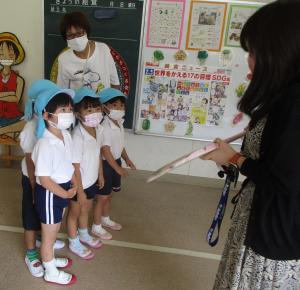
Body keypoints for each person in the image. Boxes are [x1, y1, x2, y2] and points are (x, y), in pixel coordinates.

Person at [201, 1, 300, 289]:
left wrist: (235, 159)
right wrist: (236, 153)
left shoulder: (295, 104)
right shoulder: (284, 96)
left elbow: (285, 181)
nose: (250, 61)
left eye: (255, 53)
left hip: (276, 231)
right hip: (260, 216)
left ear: (280, 52)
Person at [31, 80, 77, 286]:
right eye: (62, 109)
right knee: (49, 235)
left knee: (55, 227)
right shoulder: (44, 143)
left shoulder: (66, 135)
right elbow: (44, 179)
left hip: (63, 190)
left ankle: (48, 258)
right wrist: (65, 194)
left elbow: (69, 162)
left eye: (70, 109)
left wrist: (73, 182)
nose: (68, 113)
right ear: (46, 115)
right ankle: (49, 270)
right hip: (51, 193)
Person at [20, 80, 66, 278]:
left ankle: (46, 246)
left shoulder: (53, 125)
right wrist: (33, 185)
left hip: (48, 179)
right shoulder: (32, 128)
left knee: (47, 215)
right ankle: (31, 254)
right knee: (31, 215)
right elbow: (31, 161)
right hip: (34, 178)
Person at [91, 88, 136, 239]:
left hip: (115, 162)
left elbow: (120, 145)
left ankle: (105, 219)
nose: (119, 109)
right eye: (114, 105)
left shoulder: (119, 123)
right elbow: (105, 150)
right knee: (102, 197)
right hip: (105, 164)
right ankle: (96, 227)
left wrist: (127, 159)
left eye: (121, 106)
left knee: (109, 195)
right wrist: (117, 169)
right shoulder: (104, 126)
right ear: (104, 107)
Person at [67, 87, 103, 259]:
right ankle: (74, 241)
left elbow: (98, 155)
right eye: (88, 109)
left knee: (86, 209)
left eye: (96, 108)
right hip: (79, 184)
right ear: (78, 113)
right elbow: (74, 167)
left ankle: (83, 233)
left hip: (91, 181)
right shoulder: (77, 136)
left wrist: (101, 175)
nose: (94, 112)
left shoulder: (97, 130)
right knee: (74, 212)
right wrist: (79, 190)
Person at [57, 11, 120, 92]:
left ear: (86, 31)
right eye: (70, 35)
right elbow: (62, 90)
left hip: (103, 103)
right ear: (65, 38)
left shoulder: (103, 49)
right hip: (78, 104)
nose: (75, 38)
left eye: (79, 33)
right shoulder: (63, 59)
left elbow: (115, 83)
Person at [0, 32, 25, 138]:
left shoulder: (19, 80)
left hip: (13, 116)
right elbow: (13, 96)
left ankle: (2, 130)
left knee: (29, 122)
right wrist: (10, 93)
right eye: (1, 54)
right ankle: (8, 130)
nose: (6, 57)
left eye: (10, 54)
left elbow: (16, 99)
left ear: (15, 57)